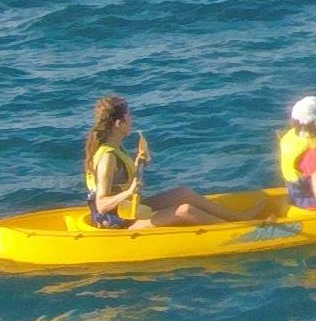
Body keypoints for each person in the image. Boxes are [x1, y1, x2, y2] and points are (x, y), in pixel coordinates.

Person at [82, 95, 234, 229]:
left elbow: (119, 181)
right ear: (118, 123)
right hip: (118, 223)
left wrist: (138, 164)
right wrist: (129, 192)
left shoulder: (115, 147)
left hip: (129, 210)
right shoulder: (107, 157)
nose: (131, 120)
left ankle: (241, 219)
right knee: (185, 210)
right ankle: (236, 231)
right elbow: (101, 205)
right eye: (129, 116)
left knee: (183, 193)